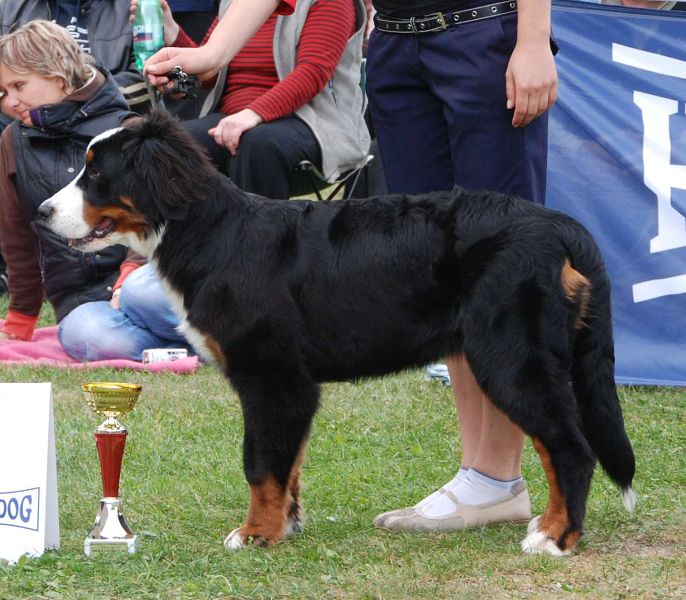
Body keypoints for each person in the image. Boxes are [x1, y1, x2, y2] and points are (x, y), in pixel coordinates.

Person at [141, 0, 557, 534]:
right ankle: (480, 475)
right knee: (436, 272)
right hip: (395, 46)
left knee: (494, 265)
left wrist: (532, 40)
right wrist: (213, 51)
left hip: (481, 30)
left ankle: (497, 479)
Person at [0, 20, 189, 361]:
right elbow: (16, 234)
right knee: (89, 337)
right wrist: (22, 312)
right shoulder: (11, 142)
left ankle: (215, 341)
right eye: (2, 93)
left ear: (56, 75)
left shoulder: (129, 130)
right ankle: (199, 349)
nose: (10, 101)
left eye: (19, 85)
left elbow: (159, 216)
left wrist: (130, 273)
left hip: (147, 275)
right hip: (83, 300)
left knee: (141, 295)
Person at [134, 0, 369, 199]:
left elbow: (312, 73)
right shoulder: (236, 5)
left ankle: (263, 249)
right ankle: (186, 247)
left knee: (256, 143)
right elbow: (206, 74)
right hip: (234, 118)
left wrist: (252, 115)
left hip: (311, 122)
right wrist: (171, 33)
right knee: (170, 143)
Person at [0, 0, 151, 114]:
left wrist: (76, 100)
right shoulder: (10, 7)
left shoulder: (135, 5)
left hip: (114, 123)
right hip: (24, 131)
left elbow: (149, 77)